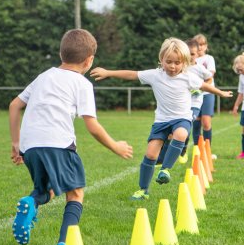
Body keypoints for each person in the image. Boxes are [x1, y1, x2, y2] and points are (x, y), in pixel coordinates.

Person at [9, 29, 133, 245]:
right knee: (75, 193)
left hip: (30, 146)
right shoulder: (81, 83)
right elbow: (92, 126)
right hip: (58, 143)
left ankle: (31, 201)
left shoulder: (44, 76)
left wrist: (17, 144)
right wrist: (115, 146)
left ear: (60, 53)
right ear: (89, 60)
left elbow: (14, 105)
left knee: (49, 189)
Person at [90, 38, 232, 200]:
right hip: (161, 121)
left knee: (181, 134)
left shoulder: (188, 77)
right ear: (161, 60)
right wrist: (108, 73)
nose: (172, 66)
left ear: (184, 62)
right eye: (168, 61)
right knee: (150, 155)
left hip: (181, 118)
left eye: (177, 62)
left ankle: (165, 169)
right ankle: (143, 190)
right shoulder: (155, 75)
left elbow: (204, 86)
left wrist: (220, 93)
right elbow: (132, 74)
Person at [156, 38, 213, 165]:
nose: (191, 56)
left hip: (195, 104)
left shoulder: (200, 68)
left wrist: (200, 89)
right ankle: (163, 158)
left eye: (193, 54)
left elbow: (209, 79)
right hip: (180, 105)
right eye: (189, 54)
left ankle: (183, 150)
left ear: (197, 54)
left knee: (184, 127)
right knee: (172, 132)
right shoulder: (180, 67)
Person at [192, 34, 217, 147]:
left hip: (207, 93)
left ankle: (207, 150)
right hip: (194, 94)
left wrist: (201, 84)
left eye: (202, 44)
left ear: (206, 46)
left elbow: (210, 74)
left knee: (206, 123)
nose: (200, 47)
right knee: (196, 123)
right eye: (197, 45)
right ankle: (197, 151)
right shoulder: (191, 59)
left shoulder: (209, 58)